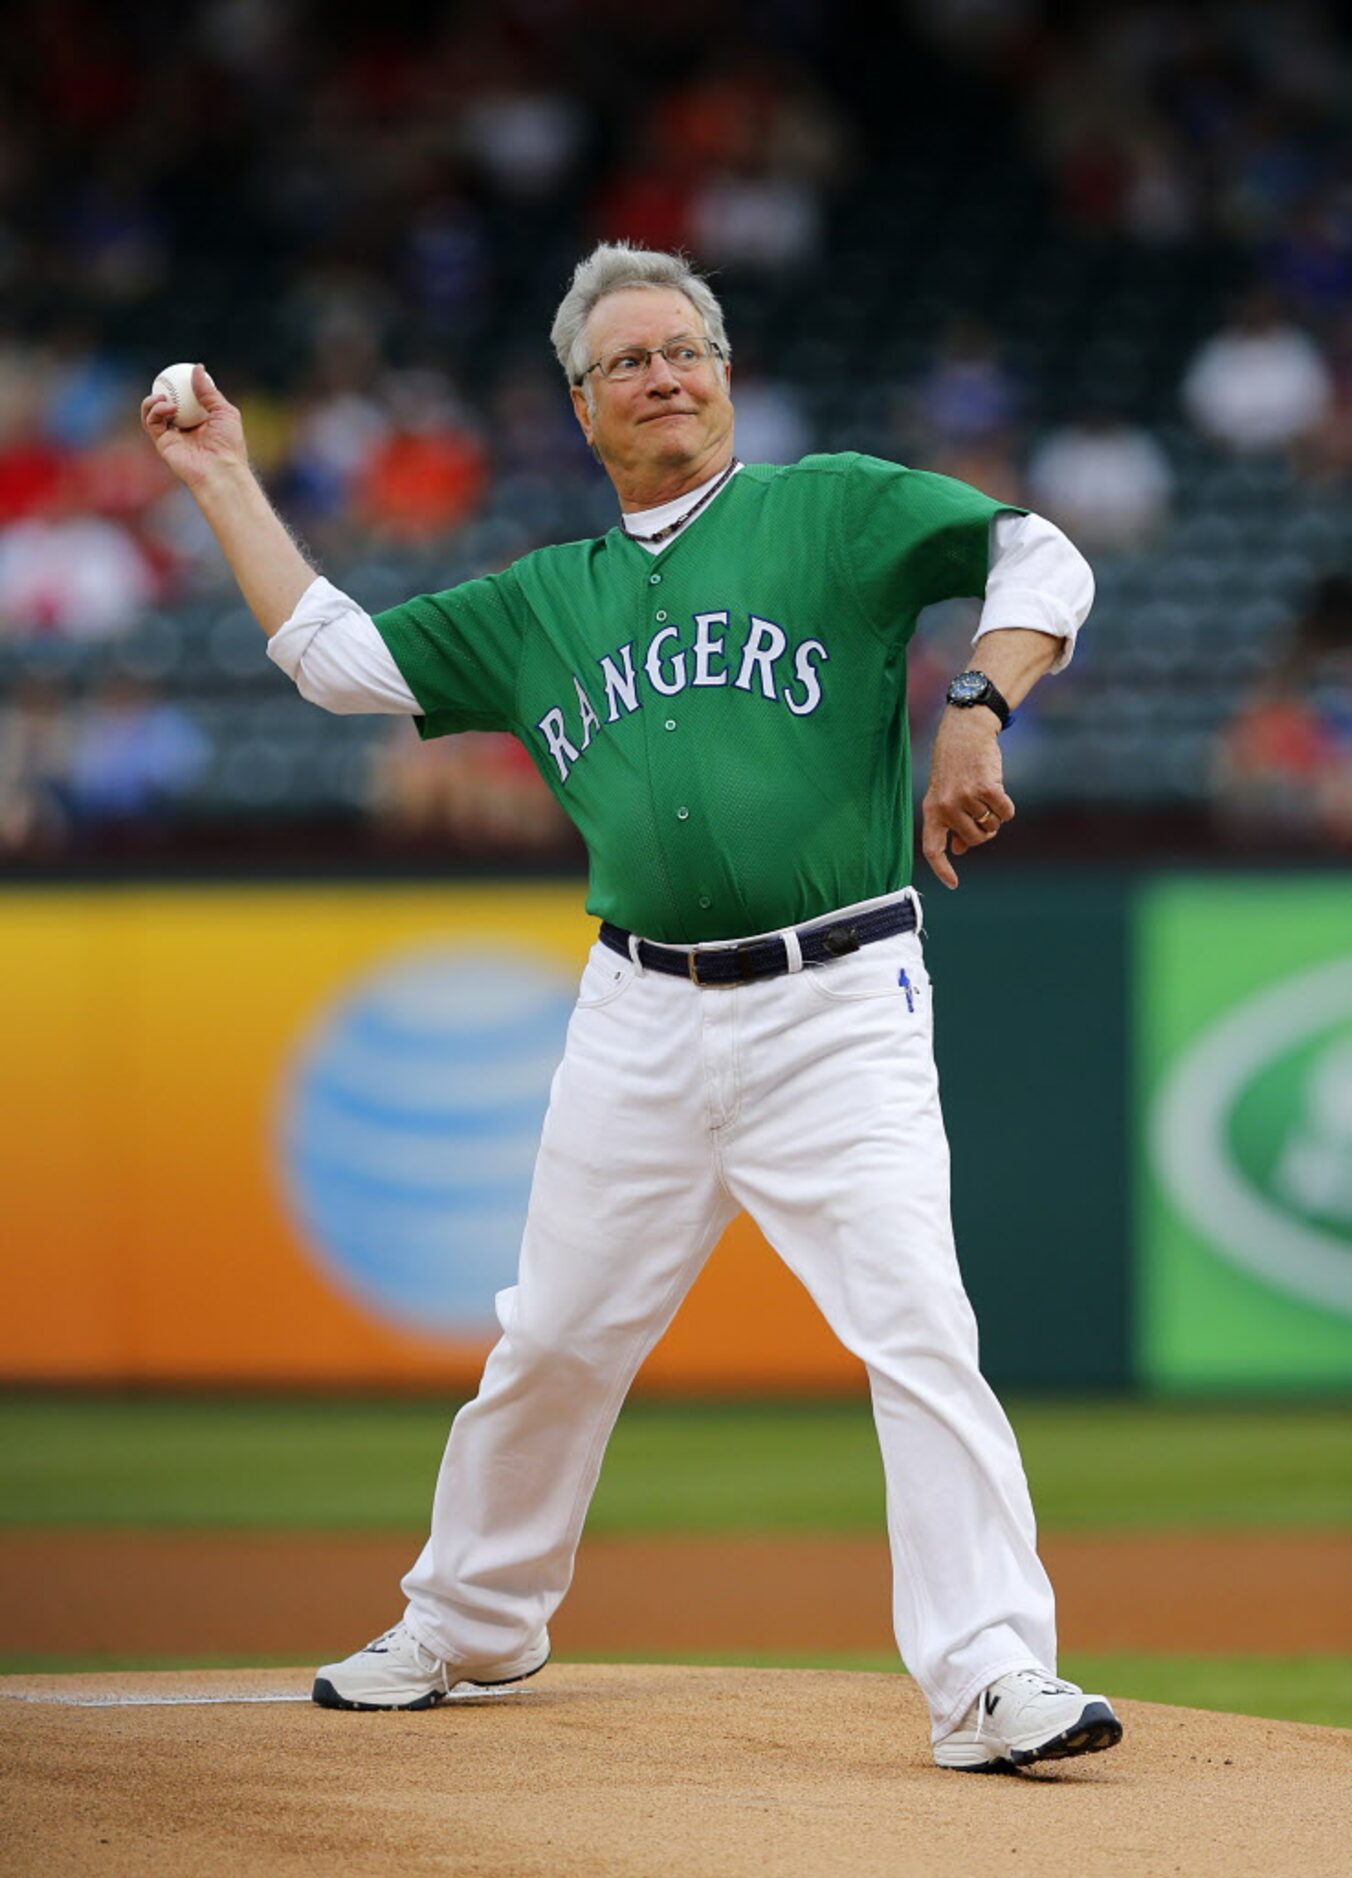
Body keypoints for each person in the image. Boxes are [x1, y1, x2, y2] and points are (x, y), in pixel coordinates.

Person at [141, 242, 1120, 1773]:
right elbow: (336, 661)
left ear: (725, 373)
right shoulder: (550, 600)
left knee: (919, 1323)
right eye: (630, 361)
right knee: (552, 1340)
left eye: (688, 349)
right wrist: (219, 481)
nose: (667, 374)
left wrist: (979, 707)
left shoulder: (833, 509)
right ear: (581, 408)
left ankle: (991, 1670)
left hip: (839, 993)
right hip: (636, 1015)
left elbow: (1043, 556)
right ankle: (472, 1620)